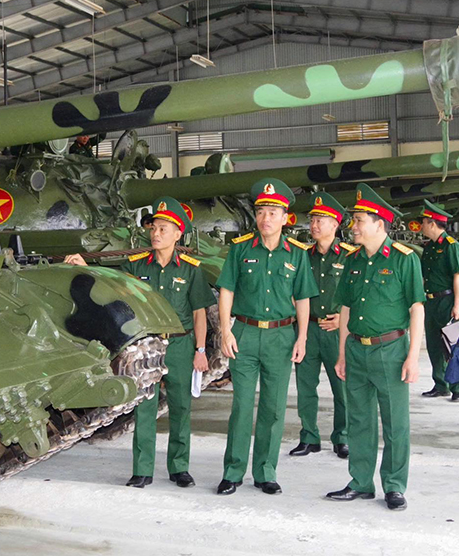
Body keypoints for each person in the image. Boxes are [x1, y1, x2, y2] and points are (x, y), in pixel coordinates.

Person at [65, 197, 214, 489]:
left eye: (163, 229)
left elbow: (199, 313)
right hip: (146, 347)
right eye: (153, 228)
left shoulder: (190, 269)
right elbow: (110, 283)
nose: (155, 234)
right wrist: (85, 266)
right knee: (144, 407)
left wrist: (200, 350)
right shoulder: (135, 266)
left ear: (177, 234)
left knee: (181, 407)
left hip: (180, 345)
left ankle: (179, 468)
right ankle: (142, 470)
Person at [216, 178, 318, 496]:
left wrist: (302, 338)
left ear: (285, 217)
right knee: (242, 407)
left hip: (281, 336)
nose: (265, 218)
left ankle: (265, 471)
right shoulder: (240, 249)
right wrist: (225, 330)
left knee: (273, 408)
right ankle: (233, 471)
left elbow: (303, 299)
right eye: (261, 211)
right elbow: (226, 290)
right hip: (245, 334)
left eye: (273, 212)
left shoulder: (297, 254)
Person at [326, 183, 425, 512]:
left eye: (359, 221)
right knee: (359, 419)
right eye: (354, 220)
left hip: (391, 349)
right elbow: (346, 308)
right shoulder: (353, 260)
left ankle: (394, 485)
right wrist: (342, 353)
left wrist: (413, 357)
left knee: (395, 422)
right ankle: (360, 482)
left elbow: (416, 309)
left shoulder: (403, 259)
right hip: (356, 349)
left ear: (379, 224)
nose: (352, 226)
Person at [289, 193, 356, 460]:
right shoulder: (303, 256)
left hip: (338, 330)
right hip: (308, 329)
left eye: (320, 220)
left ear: (335, 224)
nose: (314, 225)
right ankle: (309, 437)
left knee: (342, 387)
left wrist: (344, 319)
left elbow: (359, 292)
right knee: (305, 387)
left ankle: (343, 437)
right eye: (312, 220)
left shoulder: (351, 256)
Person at [418, 200, 459, 401]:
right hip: (431, 302)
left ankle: (458, 387)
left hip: (447, 300)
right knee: (435, 345)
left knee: (452, 345)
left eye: (424, 222)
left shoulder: (451, 246)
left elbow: (458, 276)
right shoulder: (429, 247)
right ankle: (440, 384)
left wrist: (457, 305)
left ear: (432, 223)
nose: (421, 226)